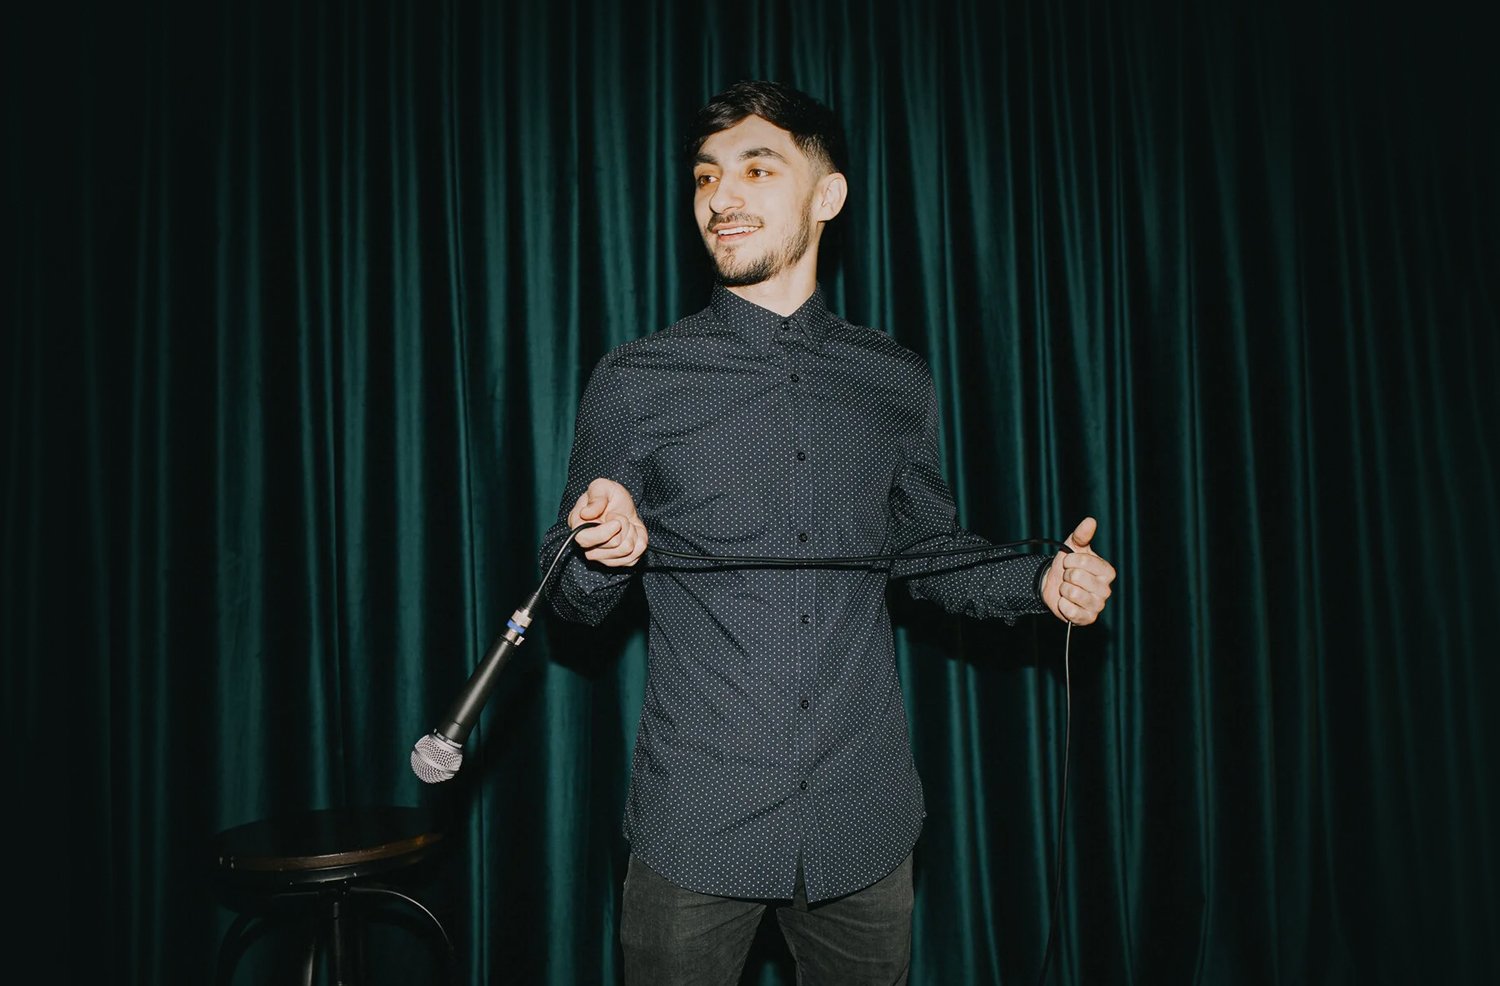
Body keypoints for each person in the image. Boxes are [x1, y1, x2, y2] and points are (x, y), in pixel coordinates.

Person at [538, 80, 1116, 986]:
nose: (721, 198)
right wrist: (600, 553)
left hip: (863, 821)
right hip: (698, 824)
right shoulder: (635, 379)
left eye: (757, 169)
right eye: (705, 177)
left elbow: (929, 555)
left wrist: (1039, 584)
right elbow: (567, 594)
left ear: (828, 195)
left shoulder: (895, 379)